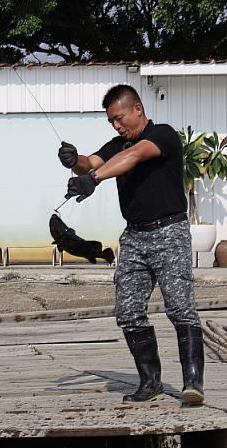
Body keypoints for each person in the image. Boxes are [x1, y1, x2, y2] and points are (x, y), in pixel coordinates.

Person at [58, 84, 204, 405]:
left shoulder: (162, 135)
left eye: (119, 118)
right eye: (111, 121)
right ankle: (150, 381)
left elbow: (134, 156)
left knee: (180, 308)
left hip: (169, 231)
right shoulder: (116, 145)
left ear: (137, 109)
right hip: (135, 236)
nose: (116, 126)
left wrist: (93, 179)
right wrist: (74, 160)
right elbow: (92, 162)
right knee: (127, 311)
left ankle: (193, 384)